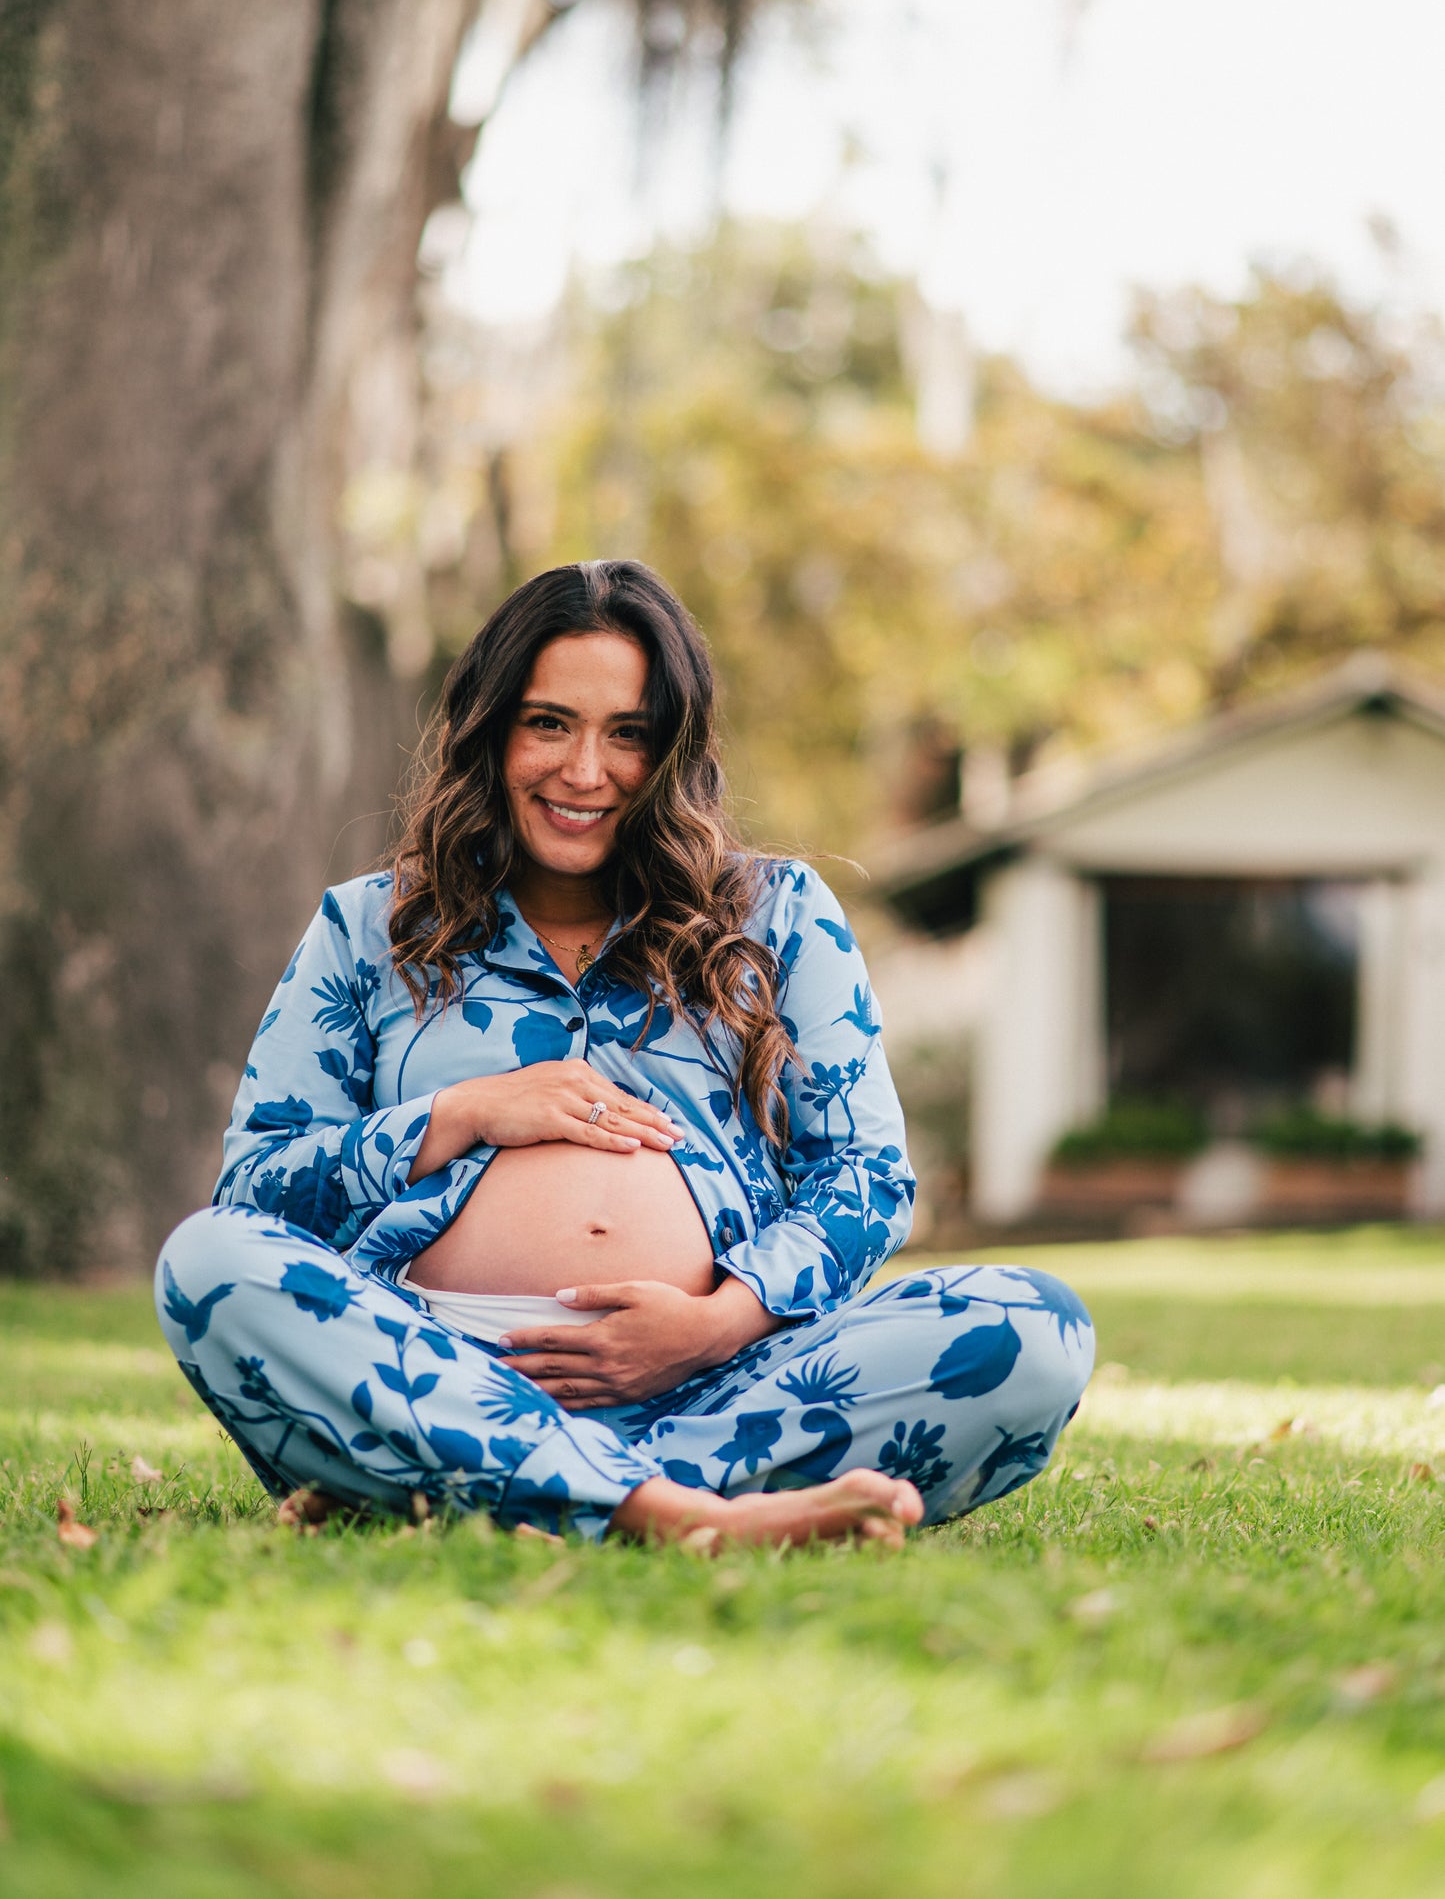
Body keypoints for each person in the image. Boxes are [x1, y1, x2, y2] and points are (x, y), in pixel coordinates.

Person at [155, 560, 1093, 1548]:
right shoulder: (366, 926)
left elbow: (862, 1176)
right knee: (205, 1263)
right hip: (435, 1368)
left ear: (675, 750)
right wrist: (459, 1115)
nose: (585, 772)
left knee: (1035, 1327)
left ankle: (488, 1490)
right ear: (490, 728)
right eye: (548, 722)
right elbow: (255, 1192)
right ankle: (681, 1513)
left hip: (720, 1382)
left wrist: (719, 1323)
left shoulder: (776, 915)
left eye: (628, 734)